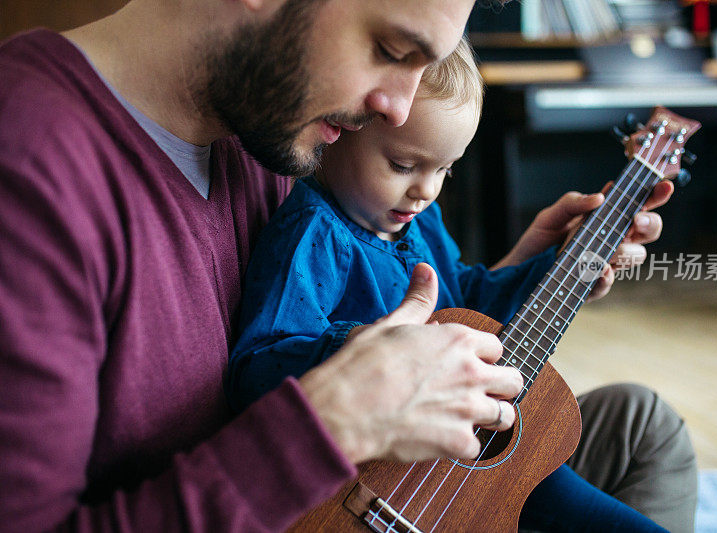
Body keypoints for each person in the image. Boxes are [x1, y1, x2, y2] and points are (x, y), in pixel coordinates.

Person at [0, 0, 694, 531]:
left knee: (641, 423)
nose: (395, 107)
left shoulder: (274, 129)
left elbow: (411, 286)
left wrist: (535, 263)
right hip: (328, 501)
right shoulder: (31, 168)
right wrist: (335, 415)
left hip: (396, 475)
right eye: (391, 48)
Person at [226, 36, 672, 532]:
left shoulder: (417, 219)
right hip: (369, 479)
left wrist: (563, 263)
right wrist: (360, 349)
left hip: (471, 446)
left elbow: (470, 306)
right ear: (339, 129)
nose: (427, 190)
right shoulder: (313, 233)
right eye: (403, 165)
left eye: (445, 169)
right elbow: (259, 365)